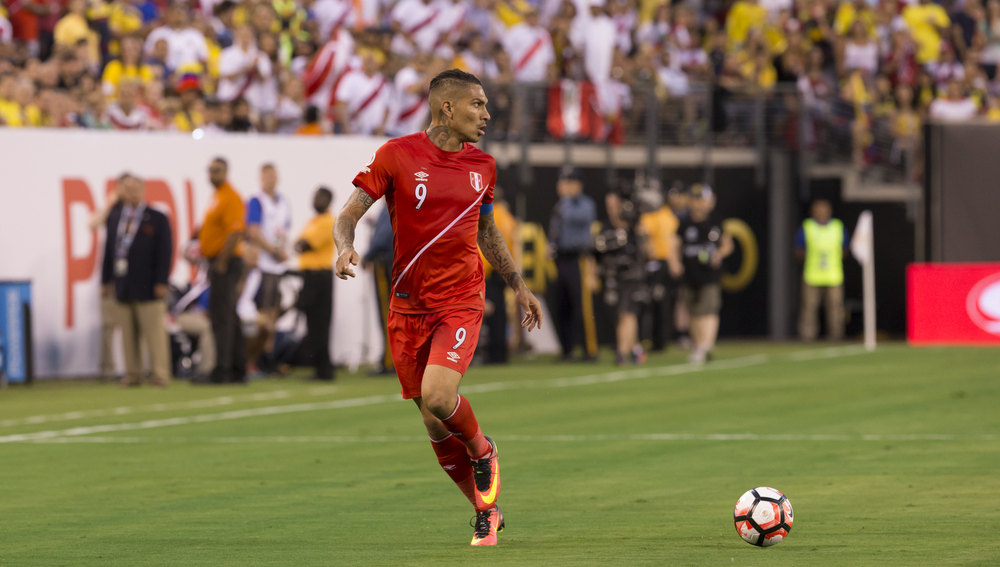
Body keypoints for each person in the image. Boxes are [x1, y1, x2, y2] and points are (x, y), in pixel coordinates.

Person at [333, 69, 542, 547]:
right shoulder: (396, 155)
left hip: (460, 299)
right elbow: (349, 213)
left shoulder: (483, 165)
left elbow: (485, 230)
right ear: (447, 107)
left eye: (487, 106)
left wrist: (517, 284)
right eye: (478, 105)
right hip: (408, 306)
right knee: (431, 419)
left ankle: (483, 449)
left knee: (440, 397)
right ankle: (485, 512)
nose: (487, 115)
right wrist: (342, 247)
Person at [100, 173, 173, 387]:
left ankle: (160, 373)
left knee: (154, 333)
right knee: (127, 333)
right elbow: (108, 252)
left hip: (149, 284)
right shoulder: (115, 217)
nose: (132, 194)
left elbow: (165, 252)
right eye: (128, 189)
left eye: (136, 189)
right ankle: (133, 373)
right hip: (123, 283)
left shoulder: (157, 217)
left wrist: (162, 281)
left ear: (143, 191)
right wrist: (105, 281)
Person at [669, 184, 733, 364]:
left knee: (709, 309)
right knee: (693, 312)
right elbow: (674, 245)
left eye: (702, 199)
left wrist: (719, 254)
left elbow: (727, 244)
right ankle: (699, 346)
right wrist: (674, 263)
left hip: (710, 274)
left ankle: (706, 345)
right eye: (695, 199)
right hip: (690, 273)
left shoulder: (716, 222)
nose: (698, 204)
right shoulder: (684, 223)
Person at [197, 157, 247, 384]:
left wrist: (221, 261)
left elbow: (235, 231)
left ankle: (223, 369)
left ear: (226, 171)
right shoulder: (217, 196)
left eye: (216, 170)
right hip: (217, 260)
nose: (212, 175)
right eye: (209, 170)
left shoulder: (230, 197)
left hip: (225, 262)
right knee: (228, 316)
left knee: (222, 317)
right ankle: (237, 367)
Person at [548, 165, 598, 362]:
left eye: (568, 182)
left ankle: (590, 350)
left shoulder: (584, 204)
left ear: (578, 184)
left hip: (579, 258)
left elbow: (576, 217)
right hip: (562, 259)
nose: (564, 186)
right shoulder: (561, 205)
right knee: (563, 306)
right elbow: (556, 228)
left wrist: (567, 198)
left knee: (582, 306)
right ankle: (567, 350)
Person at [244, 163, 291, 373]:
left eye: (273, 175)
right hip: (262, 265)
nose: (270, 179)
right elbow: (253, 231)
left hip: (276, 266)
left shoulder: (283, 203)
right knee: (261, 314)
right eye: (267, 176)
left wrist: (280, 251)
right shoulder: (256, 201)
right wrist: (272, 250)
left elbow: (283, 232)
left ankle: (267, 357)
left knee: (272, 312)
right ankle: (253, 359)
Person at [295, 187, 336, 381]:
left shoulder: (328, 221)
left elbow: (304, 244)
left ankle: (324, 369)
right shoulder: (313, 221)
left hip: (320, 277)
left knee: (320, 323)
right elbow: (298, 243)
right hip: (309, 277)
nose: (316, 200)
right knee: (312, 323)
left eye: (320, 197)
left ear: (328, 200)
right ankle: (318, 367)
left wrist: (301, 244)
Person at [796, 199, 850, 341]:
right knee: (809, 308)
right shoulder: (807, 227)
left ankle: (836, 336)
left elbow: (845, 248)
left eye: (824, 209)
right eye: (818, 209)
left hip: (833, 275)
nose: (821, 212)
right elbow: (799, 250)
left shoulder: (837, 227)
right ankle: (807, 337)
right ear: (813, 212)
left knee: (835, 308)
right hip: (812, 275)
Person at [638, 179, 679, 353]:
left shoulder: (655, 217)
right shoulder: (668, 216)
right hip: (662, 263)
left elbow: (647, 242)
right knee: (659, 302)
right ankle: (657, 340)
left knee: (657, 302)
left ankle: (658, 341)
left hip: (657, 262)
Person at [361, 206, 394, 375]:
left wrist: (368, 256)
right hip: (397, 264)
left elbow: (383, 237)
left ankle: (390, 362)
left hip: (385, 265)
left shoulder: (390, 204)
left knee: (387, 314)